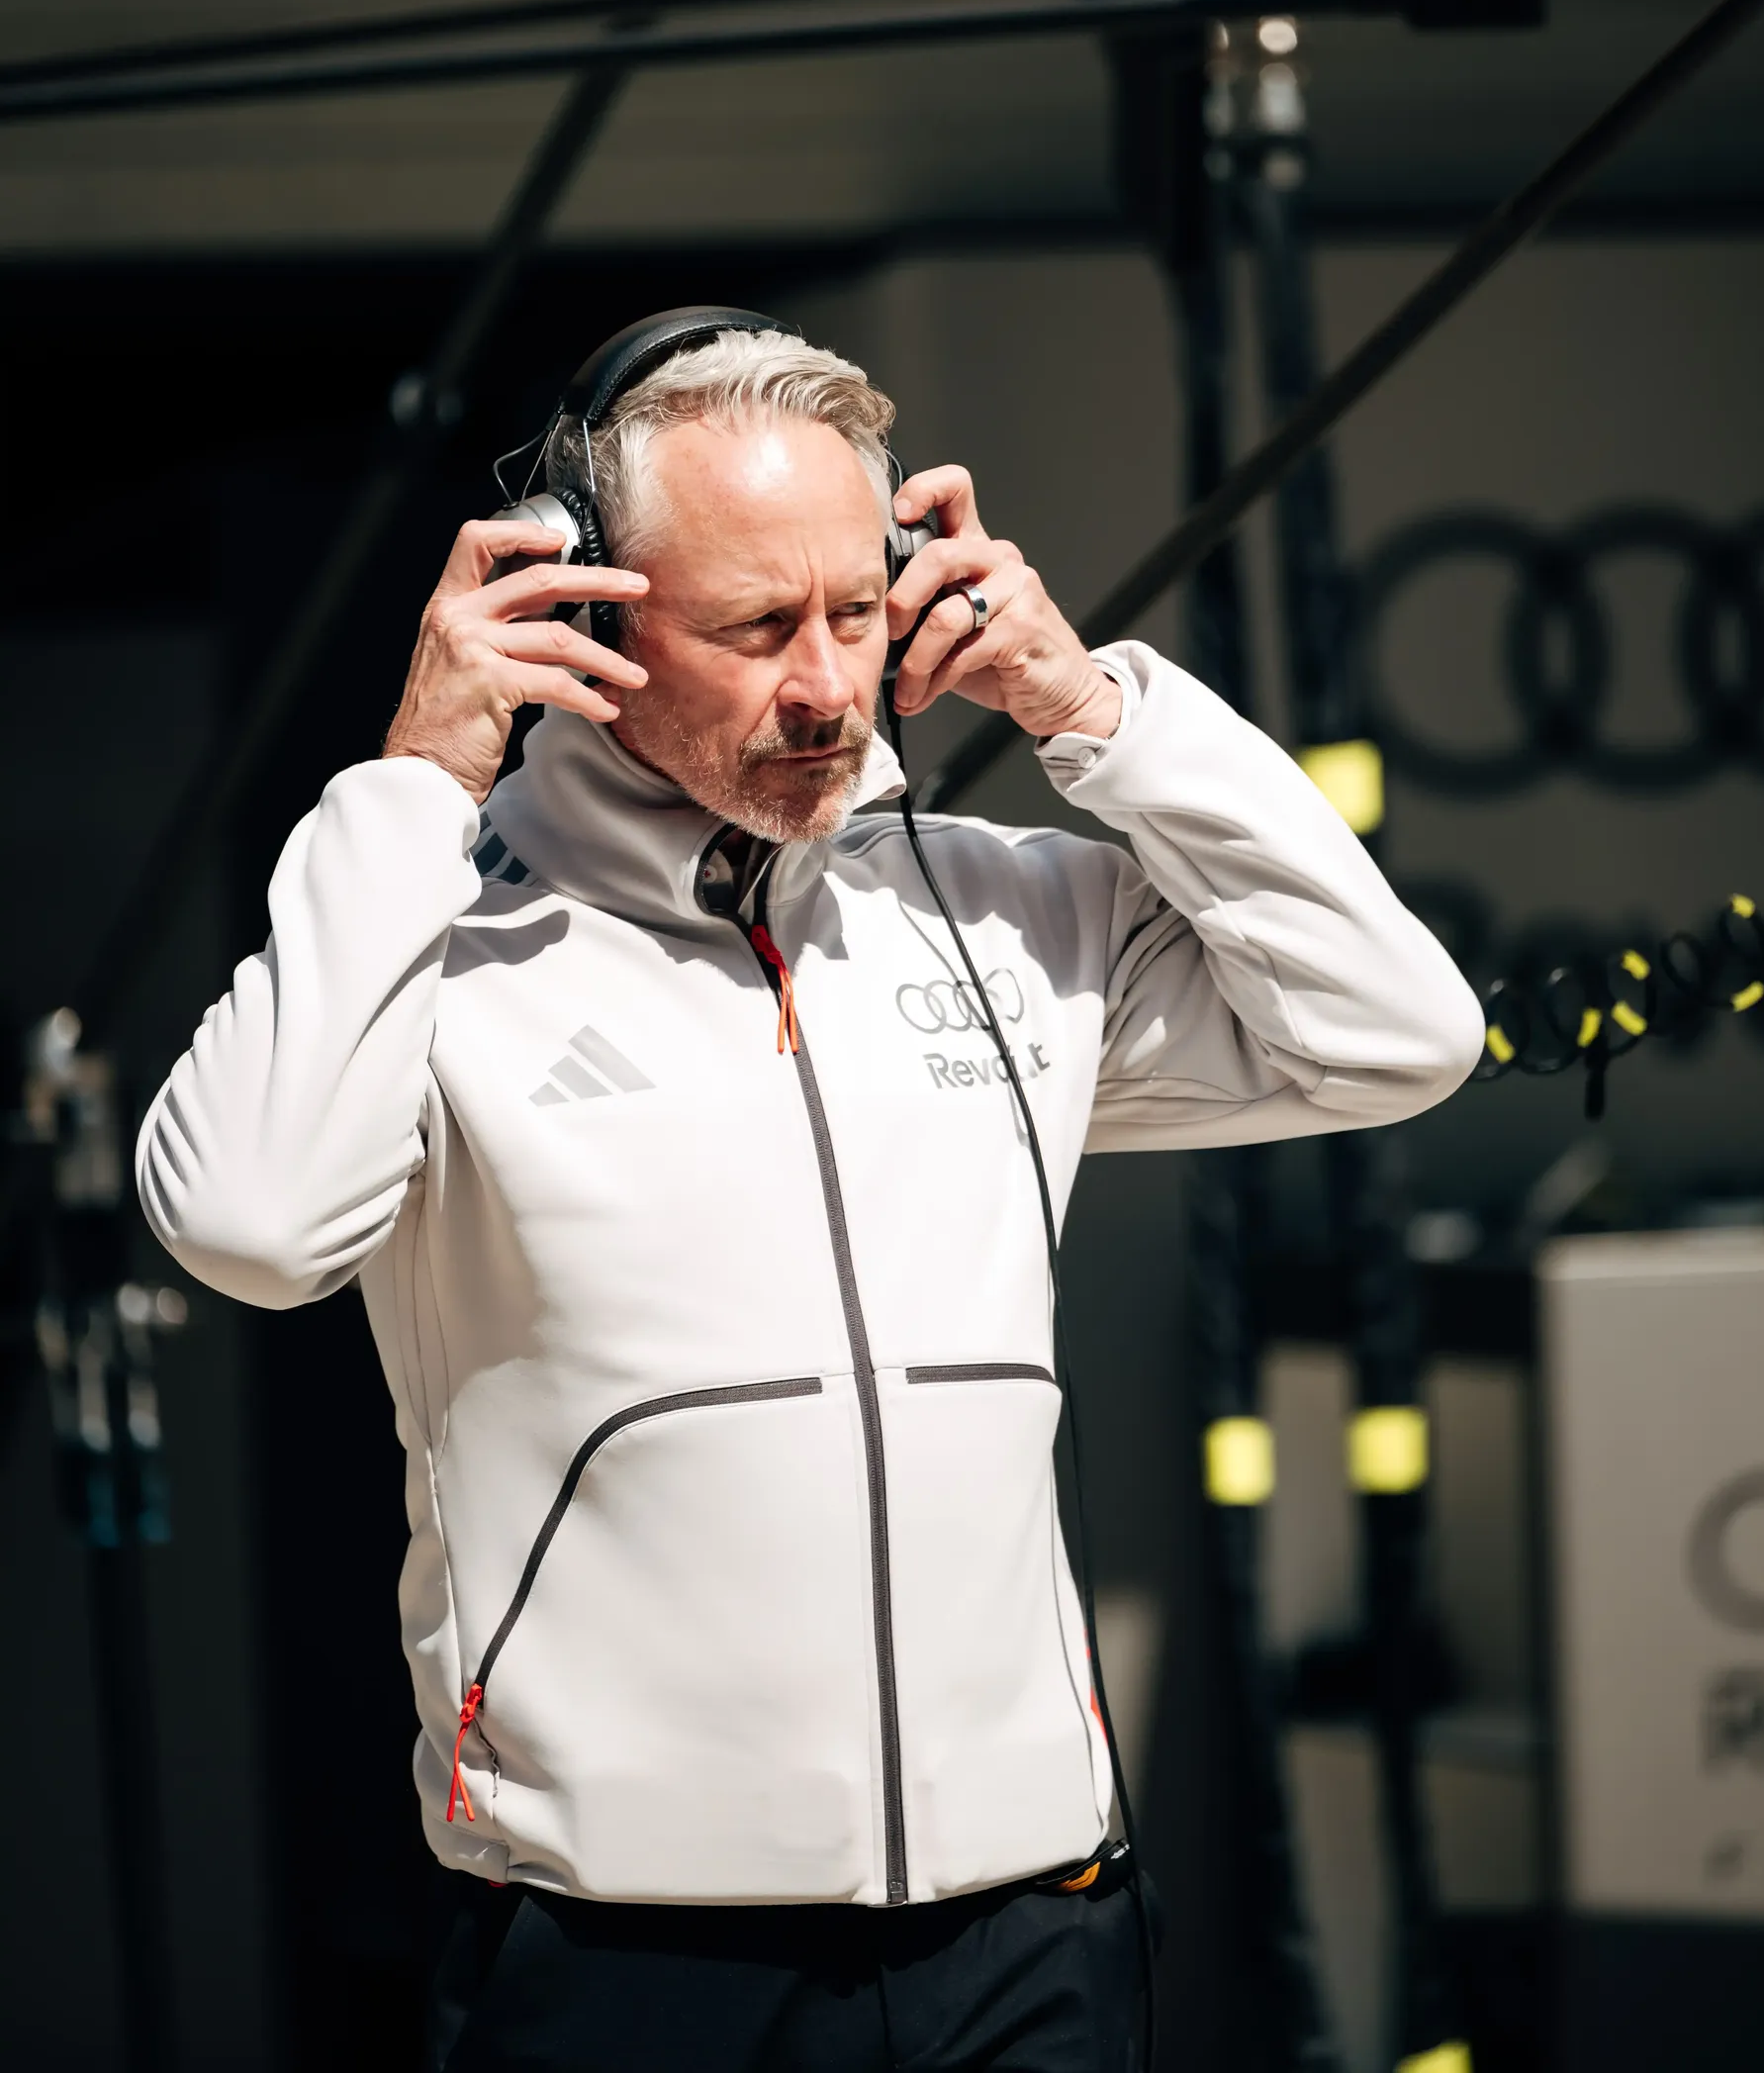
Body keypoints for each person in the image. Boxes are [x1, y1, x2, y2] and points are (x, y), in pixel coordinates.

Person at [138, 316, 1482, 2073]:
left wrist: (1095, 712)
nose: (827, 688)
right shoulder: (433, 940)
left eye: (858, 609)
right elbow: (246, 1222)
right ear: (590, 616)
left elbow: (1399, 1033)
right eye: (757, 627)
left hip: (1033, 1927)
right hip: (631, 1961)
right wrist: (413, 779)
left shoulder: (1013, 913)